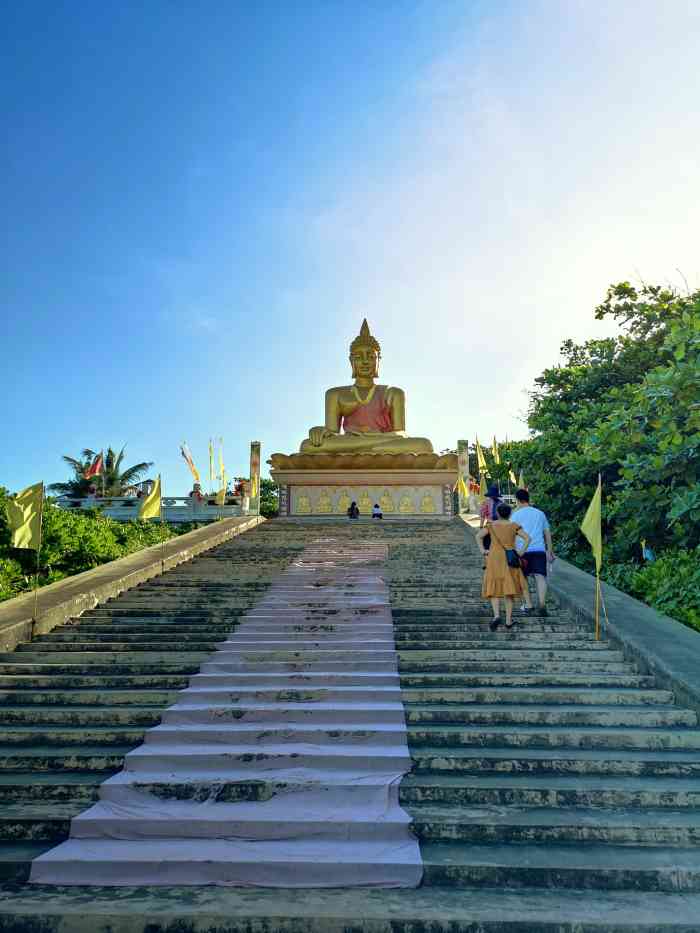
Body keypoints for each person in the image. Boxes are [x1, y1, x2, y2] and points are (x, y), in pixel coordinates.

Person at [476, 502, 530, 630]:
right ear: (510, 513)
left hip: (494, 558)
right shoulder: (514, 526)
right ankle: (508, 621)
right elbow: (528, 538)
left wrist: (483, 551)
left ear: (498, 513)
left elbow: (478, 536)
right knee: (509, 589)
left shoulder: (491, 525)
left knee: (494, 587)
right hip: (510, 558)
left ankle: (496, 616)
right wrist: (521, 552)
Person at [513, 488, 555, 615]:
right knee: (540, 576)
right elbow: (547, 533)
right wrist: (549, 550)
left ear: (517, 500)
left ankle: (528, 604)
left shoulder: (515, 515)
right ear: (528, 499)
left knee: (523, 577)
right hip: (539, 549)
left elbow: (512, 534)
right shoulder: (540, 513)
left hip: (522, 550)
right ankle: (542, 604)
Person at [479, 484, 501, 551]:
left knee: (487, 545)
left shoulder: (485, 503)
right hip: (499, 526)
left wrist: (481, 527)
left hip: (490, 526)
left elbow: (482, 516)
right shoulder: (501, 503)